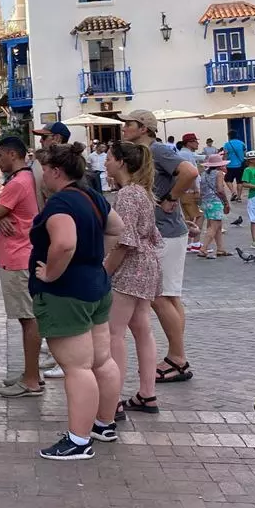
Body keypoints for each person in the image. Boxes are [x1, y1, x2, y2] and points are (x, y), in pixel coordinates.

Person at [31, 143, 124, 460]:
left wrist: (51, 273)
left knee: (77, 367)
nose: (42, 176)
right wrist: (96, 256)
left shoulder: (60, 203)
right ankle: (103, 424)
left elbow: (64, 243)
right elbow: (117, 227)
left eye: (45, 170)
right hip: (96, 285)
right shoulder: (91, 196)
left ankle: (78, 441)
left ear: (56, 171)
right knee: (102, 360)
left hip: (67, 293)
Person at [119, 109, 198, 384]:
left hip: (166, 231)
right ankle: (176, 355)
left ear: (143, 128)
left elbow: (189, 171)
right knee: (169, 297)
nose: (124, 128)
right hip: (167, 231)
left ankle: (178, 358)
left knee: (160, 296)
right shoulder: (145, 152)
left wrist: (171, 198)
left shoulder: (157, 150)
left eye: (128, 124)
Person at [103, 141, 163, 420]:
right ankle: (147, 393)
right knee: (142, 329)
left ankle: (113, 399)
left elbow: (125, 241)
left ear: (121, 163)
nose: (105, 163)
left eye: (109, 158)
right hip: (148, 264)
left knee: (114, 332)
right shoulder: (143, 192)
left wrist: (105, 270)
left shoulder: (127, 194)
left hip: (131, 267)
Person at [0, 136, 46, 398]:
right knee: (27, 317)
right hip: (23, 254)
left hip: (18, 256)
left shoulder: (17, 183)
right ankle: (32, 372)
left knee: (28, 318)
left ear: (12, 154)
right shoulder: (27, 178)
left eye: (0, 155)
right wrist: (2, 218)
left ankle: (31, 379)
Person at [196, 152, 230, 258]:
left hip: (206, 202)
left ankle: (220, 249)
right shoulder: (219, 174)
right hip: (215, 201)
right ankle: (203, 249)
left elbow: (201, 190)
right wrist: (226, 202)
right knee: (214, 226)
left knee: (218, 226)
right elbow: (220, 189)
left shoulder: (203, 174)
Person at [177, 134, 203, 253]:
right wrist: (196, 190)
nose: (197, 144)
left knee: (188, 217)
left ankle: (187, 243)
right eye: (195, 141)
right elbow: (192, 173)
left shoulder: (181, 153)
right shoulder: (187, 155)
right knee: (199, 215)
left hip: (182, 190)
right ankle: (195, 242)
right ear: (189, 143)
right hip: (189, 190)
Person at [222, 130, 247, 201]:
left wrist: (223, 162)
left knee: (227, 179)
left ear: (229, 136)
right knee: (240, 181)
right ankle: (239, 197)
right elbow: (245, 154)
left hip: (230, 165)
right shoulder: (242, 143)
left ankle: (233, 192)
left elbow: (225, 155)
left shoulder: (227, 144)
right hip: (240, 165)